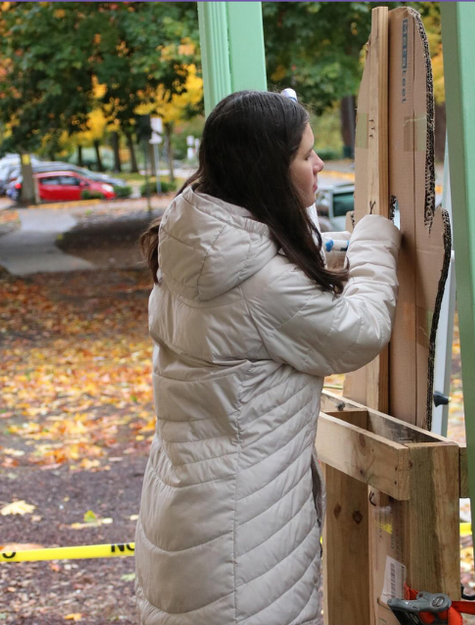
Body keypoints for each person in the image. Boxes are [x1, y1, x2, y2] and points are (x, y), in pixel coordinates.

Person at [135, 90, 400, 625]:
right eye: (306, 154)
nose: (319, 163)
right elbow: (360, 331)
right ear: (266, 170)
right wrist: (373, 242)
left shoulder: (195, 241)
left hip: (189, 513)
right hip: (242, 537)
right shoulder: (258, 280)